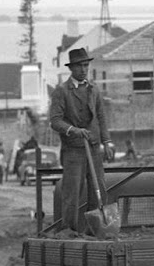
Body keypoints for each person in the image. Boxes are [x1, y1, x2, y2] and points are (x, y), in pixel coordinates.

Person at [48, 48, 113, 232]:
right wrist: (73, 130)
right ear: (71, 68)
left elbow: (101, 117)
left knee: (98, 190)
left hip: (93, 149)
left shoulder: (94, 90)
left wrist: (107, 142)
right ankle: (70, 232)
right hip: (73, 151)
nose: (83, 69)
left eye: (86, 65)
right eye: (79, 66)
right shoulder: (61, 91)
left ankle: (97, 231)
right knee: (72, 194)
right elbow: (55, 121)